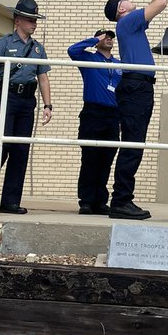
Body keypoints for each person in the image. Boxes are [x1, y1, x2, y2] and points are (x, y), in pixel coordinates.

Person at [103, 0, 168, 219]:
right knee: (133, 144)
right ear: (121, 8)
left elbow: (155, 3)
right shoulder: (128, 21)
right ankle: (121, 201)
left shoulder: (130, 24)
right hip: (136, 87)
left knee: (135, 143)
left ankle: (123, 199)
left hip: (137, 86)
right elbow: (160, 5)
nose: (130, 0)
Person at [0, 0, 52, 215]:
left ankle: (10, 201)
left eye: (35, 20)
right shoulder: (5, 43)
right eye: (30, 19)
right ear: (17, 19)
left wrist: (48, 105)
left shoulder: (38, 49)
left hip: (27, 101)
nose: (34, 24)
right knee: (2, 147)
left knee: (21, 150)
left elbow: (43, 78)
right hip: (6, 97)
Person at [67, 29, 122, 215]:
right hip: (93, 112)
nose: (109, 39)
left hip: (113, 114)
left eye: (111, 37)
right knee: (90, 158)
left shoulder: (118, 63)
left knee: (106, 160)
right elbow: (72, 51)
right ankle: (86, 201)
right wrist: (93, 40)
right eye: (104, 36)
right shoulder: (89, 59)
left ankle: (100, 201)